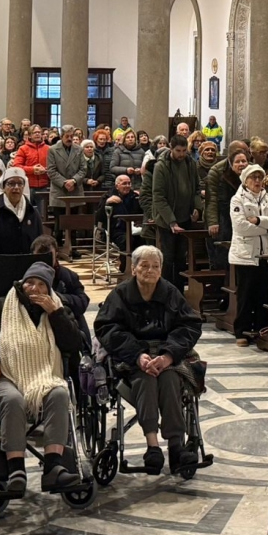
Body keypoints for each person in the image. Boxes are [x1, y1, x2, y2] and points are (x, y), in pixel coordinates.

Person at [0, 262, 85, 496]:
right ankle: (16, 469)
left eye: (41, 285)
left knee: (60, 394)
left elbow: (73, 344)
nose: (34, 288)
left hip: (46, 376)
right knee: (13, 400)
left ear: (49, 290)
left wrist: (56, 315)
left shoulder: (58, 308)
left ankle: (53, 467)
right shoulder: (1, 305)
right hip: (5, 375)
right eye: (30, 282)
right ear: (22, 283)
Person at [94, 245, 205, 475]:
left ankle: (176, 446)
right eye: (144, 266)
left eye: (155, 266)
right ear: (134, 269)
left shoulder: (170, 293)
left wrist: (168, 356)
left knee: (170, 379)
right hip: (133, 357)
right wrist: (137, 356)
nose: (150, 270)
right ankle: (152, 446)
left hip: (167, 354)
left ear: (161, 270)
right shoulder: (120, 295)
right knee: (145, 380)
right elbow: (107, 327)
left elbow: (189, 325)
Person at [228, 162, 268, 345]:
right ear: (245, 180)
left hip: (267, 253)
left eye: (260, 177)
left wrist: (258, 220)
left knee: (263, 294)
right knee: (246, 294)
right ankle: (241, 331)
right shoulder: (237, 200)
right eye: (253, 177)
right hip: (246, 254)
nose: (257, 180)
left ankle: (261, 328)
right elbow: (241, 227)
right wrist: (266, 228)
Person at [150, 134, 202, 288]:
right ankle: (165, 290)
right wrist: (171, 221)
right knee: (168, 257)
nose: (181, 154)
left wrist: (197, 207)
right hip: (167, 219)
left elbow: (197, 189)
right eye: (178, 151)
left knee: (181, 257)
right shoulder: (161, 166)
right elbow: (158, 196)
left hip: (185, 216)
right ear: (171, 148)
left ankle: (178, 291)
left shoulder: (190, 163)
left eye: (184, 151)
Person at [0, 164, 46, 256]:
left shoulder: (32, 213)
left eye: (20, 184)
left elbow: (39, 243)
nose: (16, 187)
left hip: (29, 263)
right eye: (11, 183)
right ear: (3, 187)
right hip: (2, 263)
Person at [12, 125, 53, 212]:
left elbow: (54, 166)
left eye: (39, 132)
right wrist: (32, 170)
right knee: (26, 212)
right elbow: (16, 166)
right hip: (27, 186)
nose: (37, 134)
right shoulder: (23, 149)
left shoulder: (49, 149)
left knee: (42, 214)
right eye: (35, 133)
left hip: (44, 186)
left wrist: (45, 170)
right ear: (30, 135)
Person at [47, 125, 87, 212]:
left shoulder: (79, 149)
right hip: (59, 190)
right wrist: (64, 183)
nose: (69, 139)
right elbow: (51, 170)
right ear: (61, 136)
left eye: (71, 136)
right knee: (60, 219)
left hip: (75, 190)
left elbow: (83, 169)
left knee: (76, 218)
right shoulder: (53, 150)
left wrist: (74, 181)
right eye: (67, 136)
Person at [99, 172, 142, 249]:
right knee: (128, 241)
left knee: (146, 239)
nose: (127, 186)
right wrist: (106, 203)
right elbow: (99, 217)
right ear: (117, 186)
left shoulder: (134, 196)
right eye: (124, 184)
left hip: (134, 228)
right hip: (115, 229)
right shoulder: (107, 196)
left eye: (129, 183)